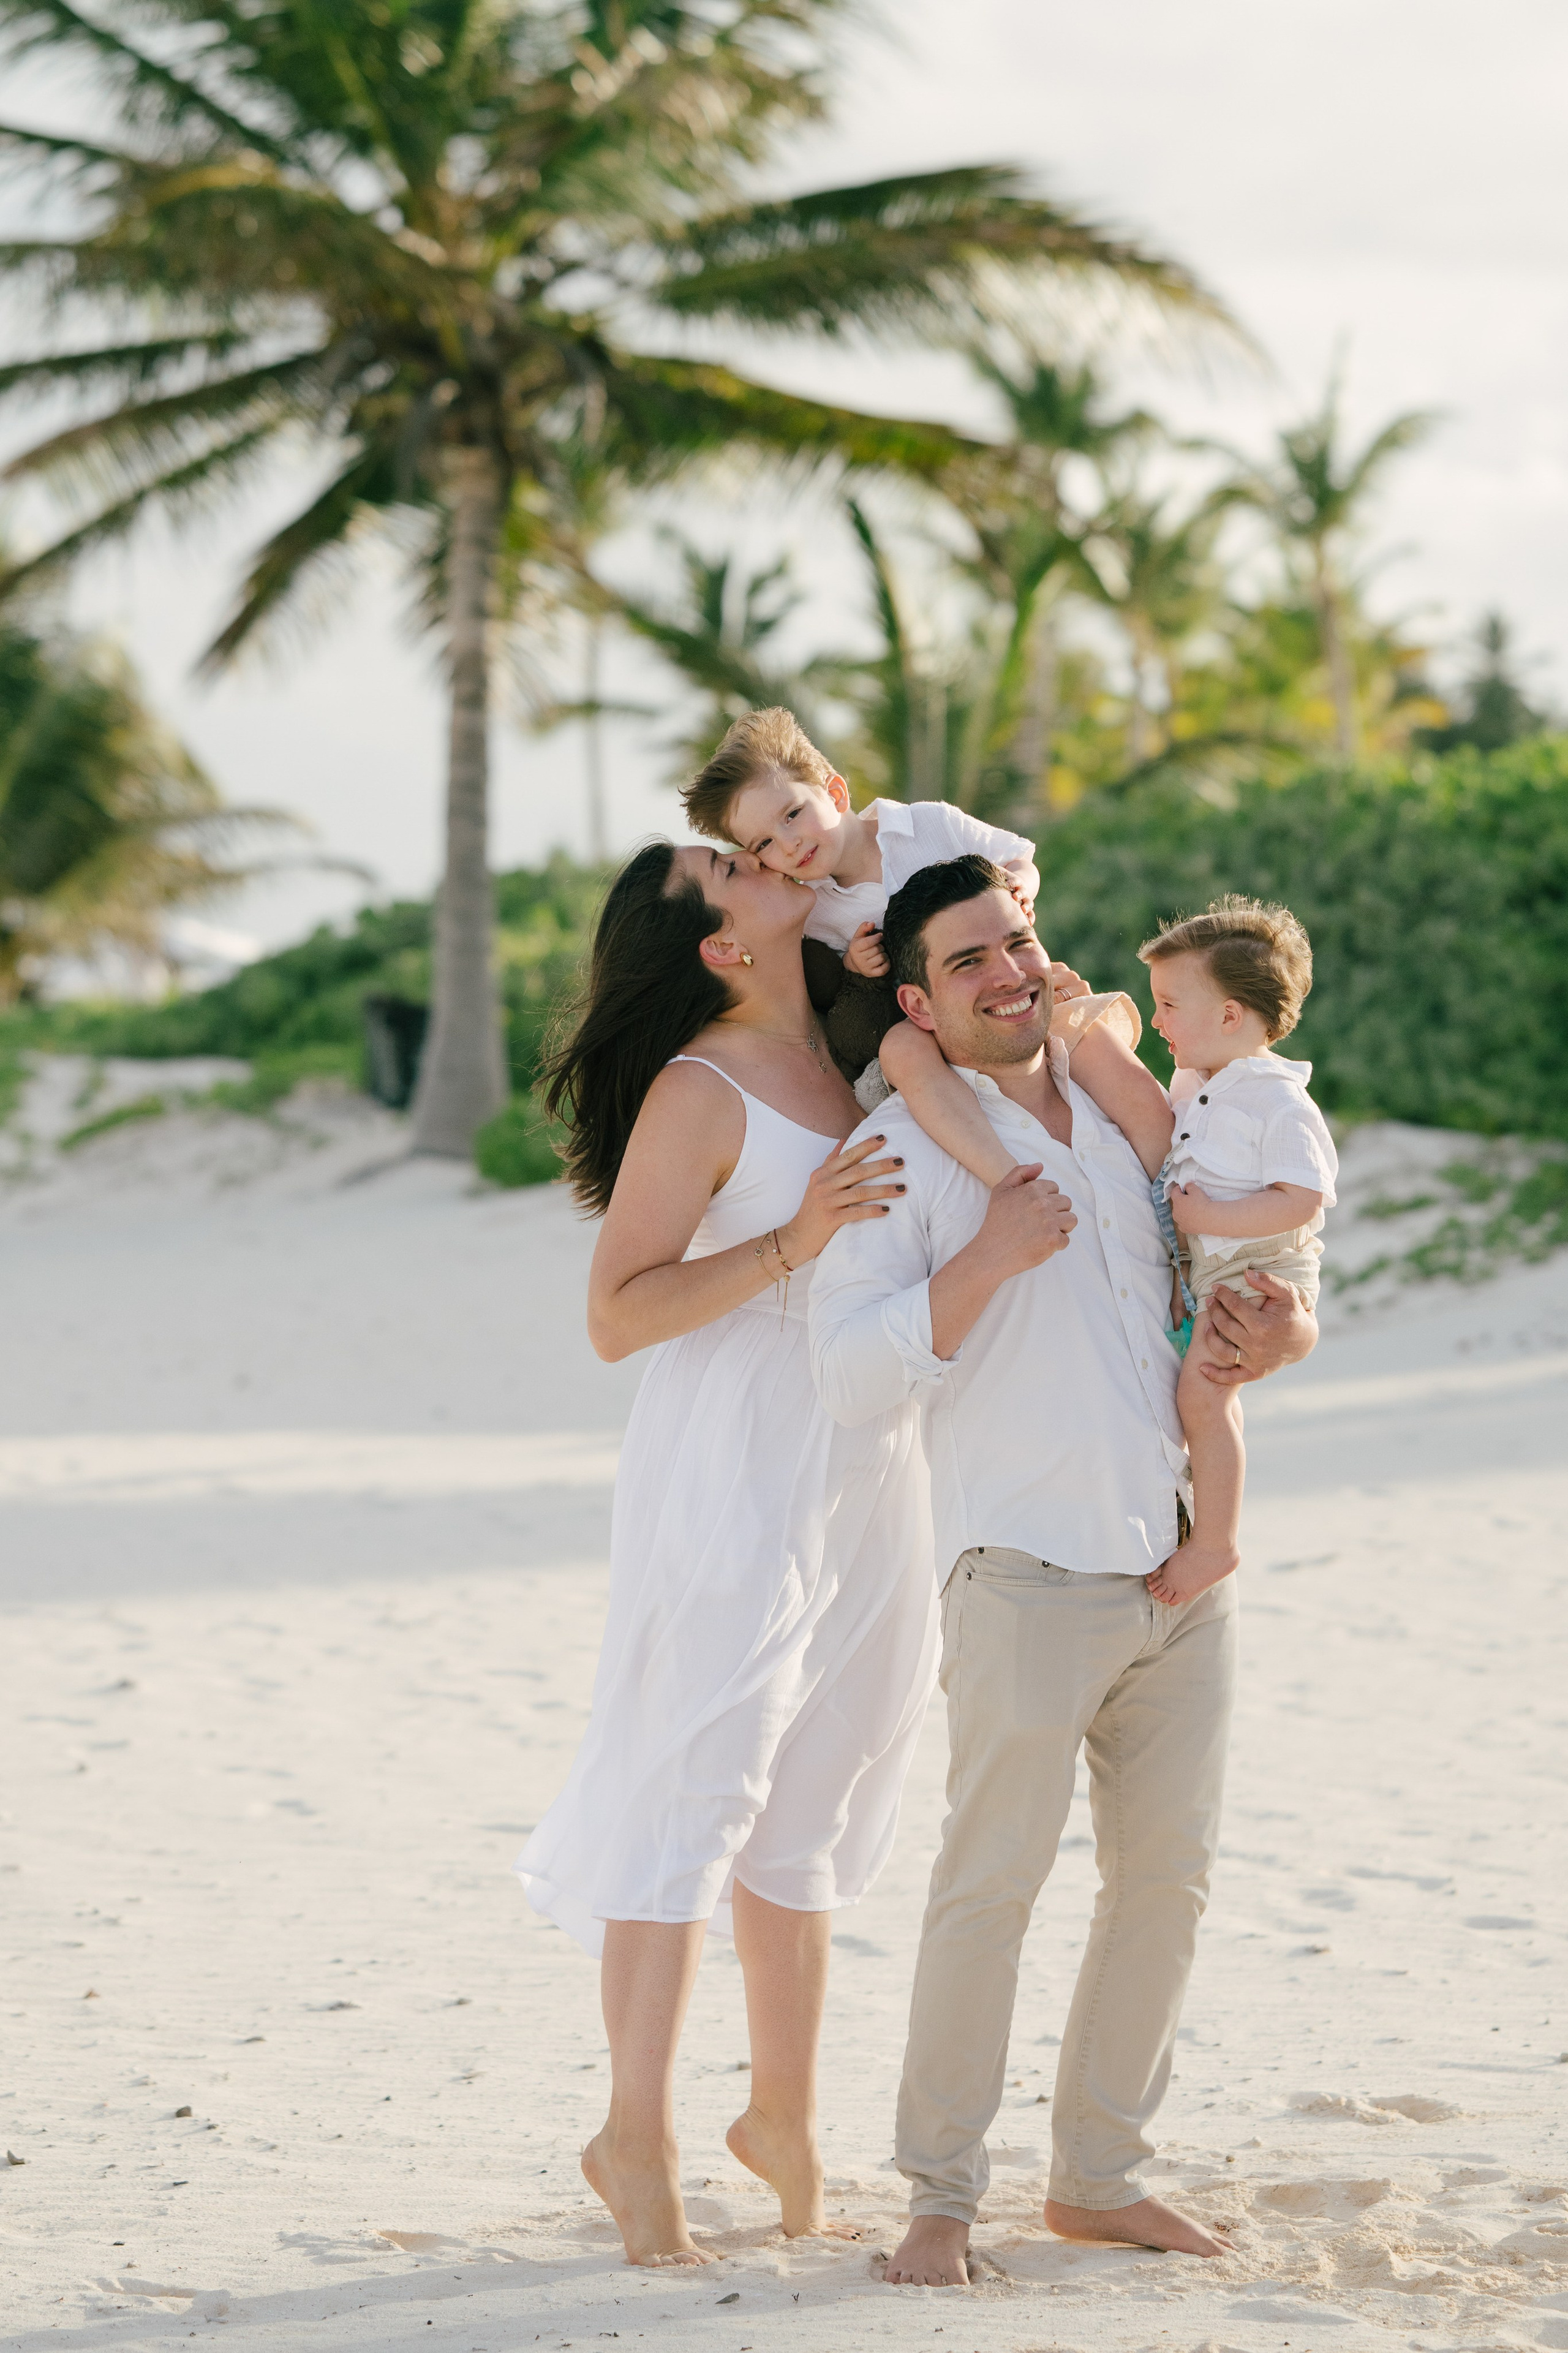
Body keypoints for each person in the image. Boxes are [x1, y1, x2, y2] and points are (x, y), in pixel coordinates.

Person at [808, 856, 1319, 2287]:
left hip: (1177, 1569)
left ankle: (1097, 2177)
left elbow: (1236, 1283)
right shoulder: (903, 1148)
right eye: (969, 958)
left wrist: (1270, 1338)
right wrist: (977, 1260)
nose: (1008, 970)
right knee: (989, 1887)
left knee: (1167, 1883)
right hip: (1022, 1572)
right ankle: (938, 2193)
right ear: (916, 997)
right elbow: (847, 1374)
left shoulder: (1129, 1112)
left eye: (1019, 942)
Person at [516, 839, 939, 2269]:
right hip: (732, 1451)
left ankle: (783, 2114)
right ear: (715, 943)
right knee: (700, 1773)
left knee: (815, 1782)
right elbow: (613, 1314)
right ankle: (632, 2129)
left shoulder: (843, 1048)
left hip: (861, 1453)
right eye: (732, 865)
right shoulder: (700, 1088)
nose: (768, 864)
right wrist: (791, 1241)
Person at [1140, 898, 1338, 1607]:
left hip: (1260, 1267)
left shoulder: (1277, 1101)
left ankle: (1217, 1542)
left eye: (1167, 1005)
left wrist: (1210, 1216)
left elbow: (1302, 1198)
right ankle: (1199, 1511)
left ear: (1229, 1016)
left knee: (1205, 1392)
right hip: (1217, 1262)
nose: (1156, 1021)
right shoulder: (1198, 1084)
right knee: (1199, 1390)